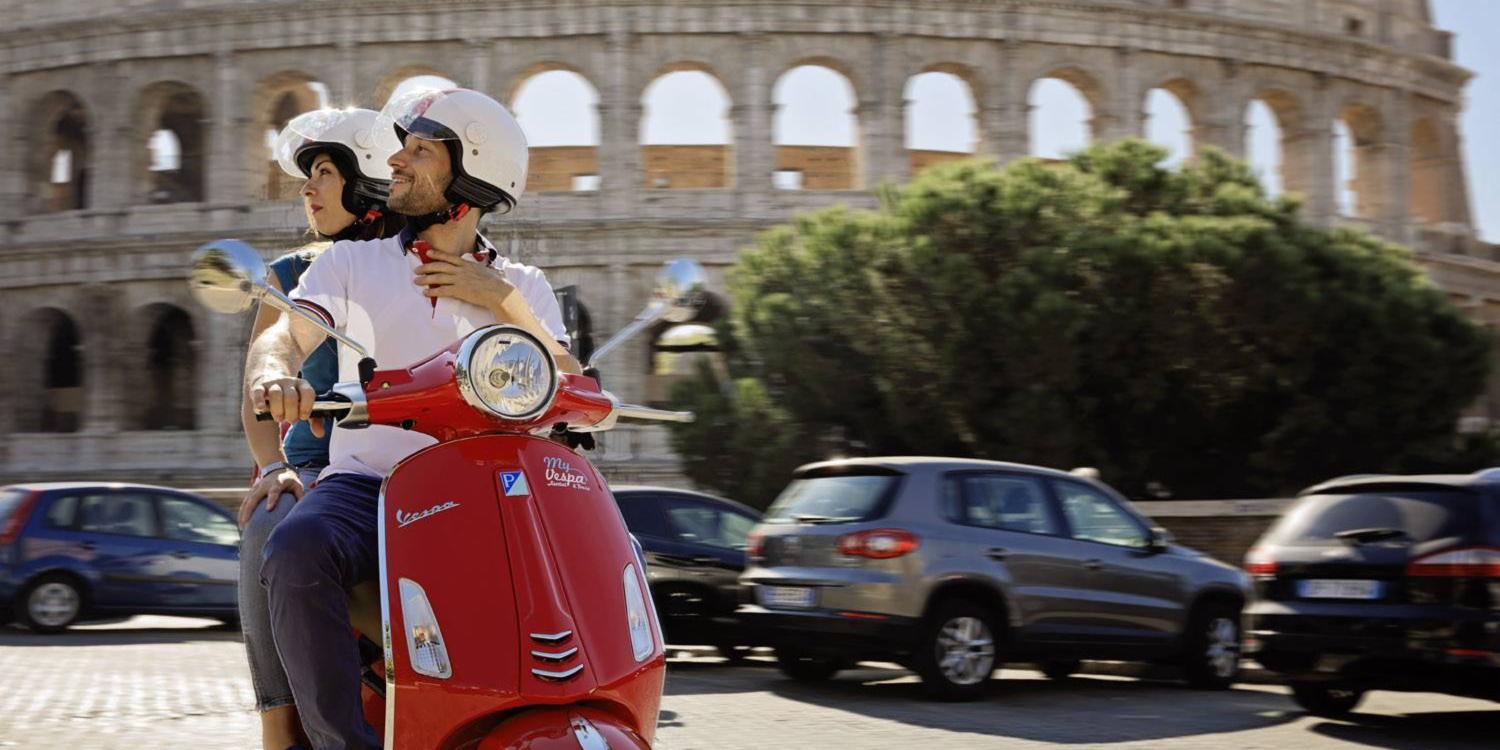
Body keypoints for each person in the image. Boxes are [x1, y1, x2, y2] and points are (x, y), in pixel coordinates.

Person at [245, 87, 576, 749]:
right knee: (293, 550)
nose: (396, 159)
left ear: (474, 170)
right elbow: (285, 335)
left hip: (491, 493)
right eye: (402, 145)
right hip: (367, 488)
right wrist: (273, 370)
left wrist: (503, 300)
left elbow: (569, 383)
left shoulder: (525, 285)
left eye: (420, 148)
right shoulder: (351, 263)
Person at [237, 107, 404, 750]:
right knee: (268, 525)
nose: (306, 189)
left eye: (324, 173)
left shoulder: (417, 268)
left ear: (366, 182)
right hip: (316, 465)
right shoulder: (290, 275)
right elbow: (260, 382)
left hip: (409, 461)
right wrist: (273, 465)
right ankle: (279, 724)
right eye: (307, 176)